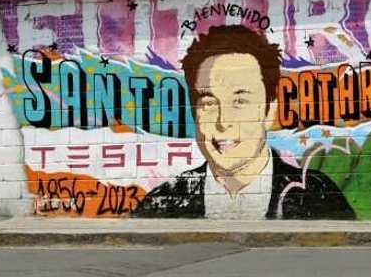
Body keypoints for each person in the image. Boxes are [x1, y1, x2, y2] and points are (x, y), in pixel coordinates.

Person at [134, 25, 354, 219]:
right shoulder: (163, 203)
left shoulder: (317, 195)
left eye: (240, 101)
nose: (223, 122)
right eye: (209, 103)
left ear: (270, 111)